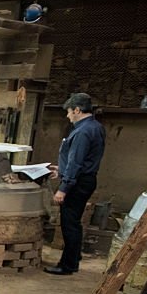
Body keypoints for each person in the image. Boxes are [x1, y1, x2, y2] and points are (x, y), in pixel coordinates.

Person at [44, 93, 105, 276]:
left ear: (77, 110)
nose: (68, 116)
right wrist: (61, 171)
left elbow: (76, 162)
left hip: (78, 183)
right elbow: (82, 160)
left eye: (69, 112)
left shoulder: (82, 132)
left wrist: (63, 188)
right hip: (85, 179)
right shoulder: (96, 127)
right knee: (74, 223)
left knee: (69, 223)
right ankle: (74, 257)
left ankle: (68, 265)